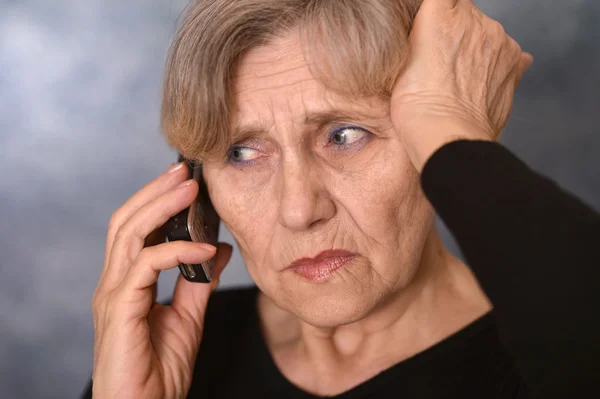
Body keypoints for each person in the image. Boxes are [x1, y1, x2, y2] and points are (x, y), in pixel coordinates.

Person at [83, 0, 599, 397]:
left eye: (346, 135)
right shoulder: (174, 353)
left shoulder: (554, 352)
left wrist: (451, 126)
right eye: (241, 152)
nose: (299, 210)